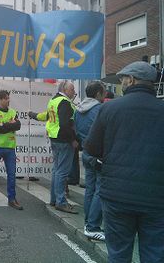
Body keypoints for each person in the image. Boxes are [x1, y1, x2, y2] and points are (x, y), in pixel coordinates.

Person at [85, 61, 164, 262]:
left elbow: (92, 148)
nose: (122, 83)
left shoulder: (109, 109)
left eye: (123, 80)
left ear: (132, 80)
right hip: (156, 198)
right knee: (155, 253)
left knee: (119, 253)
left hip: (117, 195)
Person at [30, 81, 78, 214]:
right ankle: (61, 202)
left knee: (57, 170)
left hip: (55, 138)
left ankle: (54, 199)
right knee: (62, 171)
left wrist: (33, 115)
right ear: (64, 89)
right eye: (72, 89)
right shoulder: (64, 102)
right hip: (64, 140)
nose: (74, 92)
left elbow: (47, 117)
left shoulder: (53, 100)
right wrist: (73, 139)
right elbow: (65, 124)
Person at [75, 81, 106, 241]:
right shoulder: (100, 109)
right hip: (99, 154)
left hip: (86, 152)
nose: (106, 93)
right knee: (100, 189)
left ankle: (88, 222)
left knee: (90, 189)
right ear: (98, 93)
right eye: (104, 91)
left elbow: (76, 131)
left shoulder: (78, 110)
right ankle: (93, 226)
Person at [0, 91, 23, 211]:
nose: (8, 100)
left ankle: (12, 199)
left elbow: (18, 126)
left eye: (8, 98)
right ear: (0, 100)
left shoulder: (13, 112)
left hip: (10, 147)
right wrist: (9, 124)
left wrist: (3, 125)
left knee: (11, 175)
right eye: (6, 99)